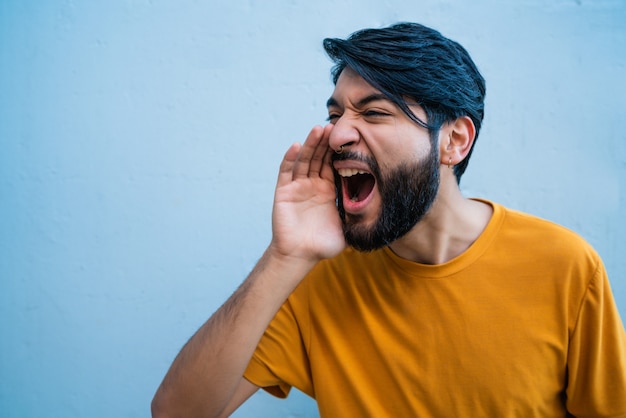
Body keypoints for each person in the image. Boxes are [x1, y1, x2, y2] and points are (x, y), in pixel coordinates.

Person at [151, 22, 626, 417]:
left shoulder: (564, 267)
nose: (337, 134)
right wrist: (284, 256)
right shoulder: (314, 276)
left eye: (374, 112)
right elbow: (176, 413)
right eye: (335, 113)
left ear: (454, 141)